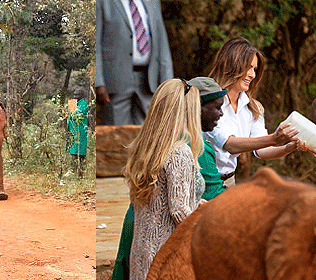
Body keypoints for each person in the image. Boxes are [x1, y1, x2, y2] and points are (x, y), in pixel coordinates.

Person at [122, 79, 204, 280]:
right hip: (166, 257)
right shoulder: (179, 153)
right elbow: (178, 210)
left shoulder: (145, 149)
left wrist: (196, 203)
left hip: (142, 251)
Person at [205, 37, 300, 187]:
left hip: (229, 182)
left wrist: (289, 147)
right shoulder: (209, 103)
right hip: (202, 181)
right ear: (232, 65)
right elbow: (229, 144)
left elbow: (262, 151)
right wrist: (274, 138)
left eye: (255, 69)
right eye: (248, 67)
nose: (252, 75)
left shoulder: (253, 107)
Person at [95, 0, 173, 125]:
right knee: (116, 133)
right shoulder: (103, 3)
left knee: (147, 132)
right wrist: (98, 82)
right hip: (115, 81)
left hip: (148, 80)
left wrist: (168, 82)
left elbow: (162, 43)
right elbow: (95, 44)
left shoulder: (152, 2)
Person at [67, 88, 89, 177]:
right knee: (73, 151)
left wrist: (71, 107)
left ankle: (80, 173)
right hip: (73, 131)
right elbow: (69, 116)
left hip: (81, 132)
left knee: (80, 153)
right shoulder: (73, 103)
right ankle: (72, 171)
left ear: (82, 95)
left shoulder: (84, 104)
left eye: (77, 95)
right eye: (74, 94)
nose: (75, 97)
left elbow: (76, 114)